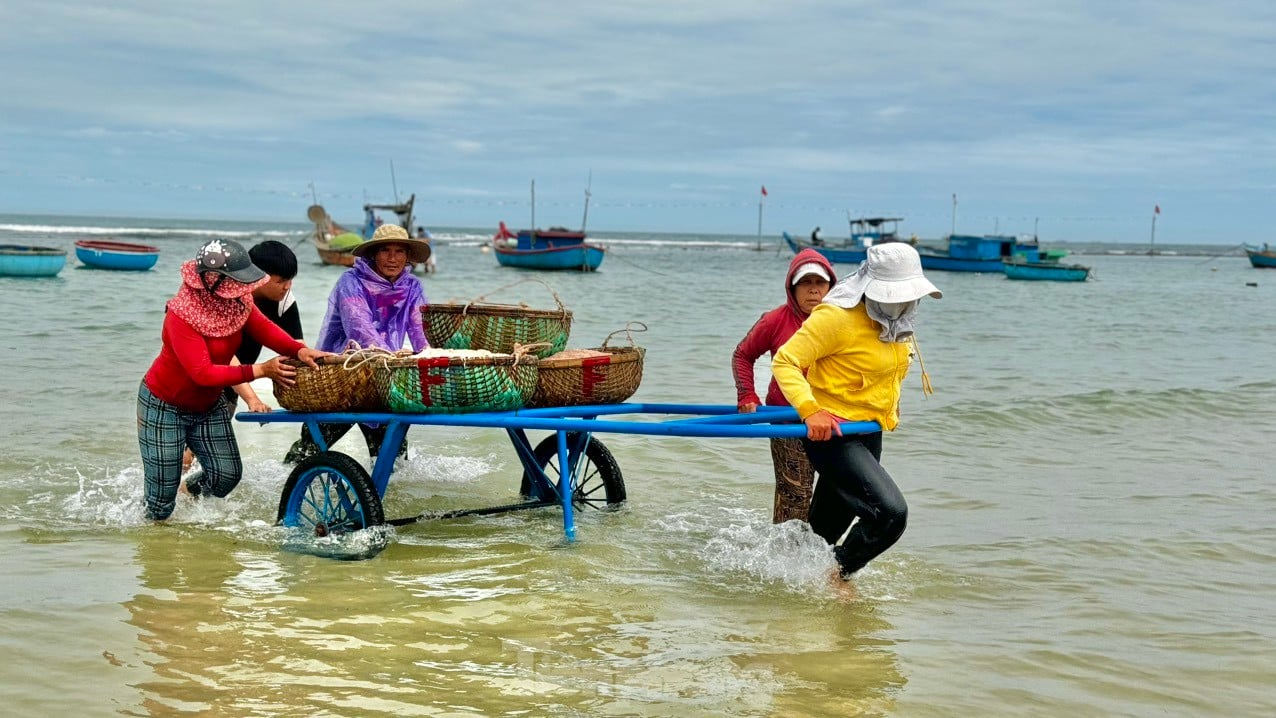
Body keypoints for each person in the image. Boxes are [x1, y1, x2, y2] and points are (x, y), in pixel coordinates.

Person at [772, 243, 942, 579]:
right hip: (833, 435)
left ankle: (789, 586)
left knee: (822, 534)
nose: (904, 302)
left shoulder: (898, 323)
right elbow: (785, 361)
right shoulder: (836, 318)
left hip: (868, 432)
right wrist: (810, 411)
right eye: (895, 295)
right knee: (891, 514)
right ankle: (838, 576)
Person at [138, 238, 328, 521]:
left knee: (227, 475)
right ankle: (156, 541)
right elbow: (202, 373)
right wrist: (262, 370)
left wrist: (299, 350)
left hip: (207, 405)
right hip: (165, 405)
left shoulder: (238, 302)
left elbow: (267, 330)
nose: (247, 287)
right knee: (161, 501)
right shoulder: (181, 315)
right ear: (215, 281)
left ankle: (189, 498)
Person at [285, 224, 431, 464]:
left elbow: (420, 328)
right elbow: (359, 327)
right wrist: (391, 360)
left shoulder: (412, 286)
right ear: (373, 254)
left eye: (399, 252)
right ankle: (281, 490)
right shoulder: (351, 282)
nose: (392, 259)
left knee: (394, 460)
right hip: (341, 376)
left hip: (384, 379)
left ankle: (386, 499)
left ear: (407, 256)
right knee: (308, 452)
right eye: (385, 251)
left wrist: (429, 358)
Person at [180, 240, 307, 475]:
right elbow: (226, 357)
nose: (287, 287)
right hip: (200, 382)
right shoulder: (226, 297)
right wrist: (253, 399)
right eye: (281, 281)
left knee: (209, 459)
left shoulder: (284, 302)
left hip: (231, 387)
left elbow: (296, 348)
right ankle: (172, 502)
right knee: (187, 455)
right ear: (257, 276)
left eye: (291, 280)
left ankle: (191, 502)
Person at [733, 249, 836, 523]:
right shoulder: (775, 320)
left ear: (831, 286)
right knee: (795, 493)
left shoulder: (842, 320)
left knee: (837, 493)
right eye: (806, 283)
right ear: (792, 287)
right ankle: (783, 557)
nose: (813, 291)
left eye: (820, 283)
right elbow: (743, 354)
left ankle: (823, 554)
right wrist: (747, 394)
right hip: (787, 418)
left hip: (834, 417)